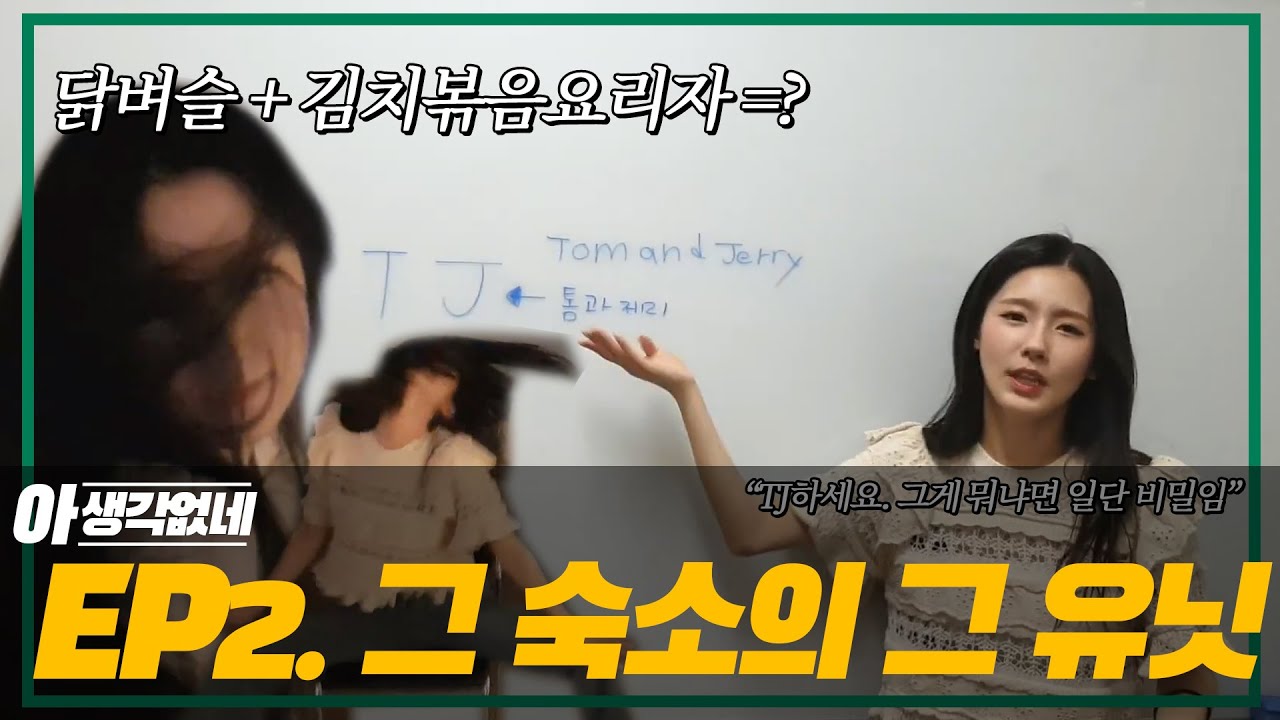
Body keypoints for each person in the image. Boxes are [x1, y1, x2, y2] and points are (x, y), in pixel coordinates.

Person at [579, 233, 1216, 720]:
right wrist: (686, 393)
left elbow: (1188, 678)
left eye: (1068, 328)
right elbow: (750, 530)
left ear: (1097, 361)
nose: (1036, 345)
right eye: (1015, 316)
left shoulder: (1148, 498)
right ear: (976, 333)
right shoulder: (905, 469)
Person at [5, 89, 332, 719]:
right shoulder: (171, 528)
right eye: (170, 311)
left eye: (253, 281)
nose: (236, 353)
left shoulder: (264, 458)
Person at [249, 334, 635, 720]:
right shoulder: (338, 439)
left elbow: (509, 549)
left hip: (445, 614)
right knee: (249, 662)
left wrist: (566, 627)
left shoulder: (454, 457)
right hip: (354, 613)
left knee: (594, 660)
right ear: (417, 375)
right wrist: (263, 599)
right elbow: (311, 532)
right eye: (449, 377)